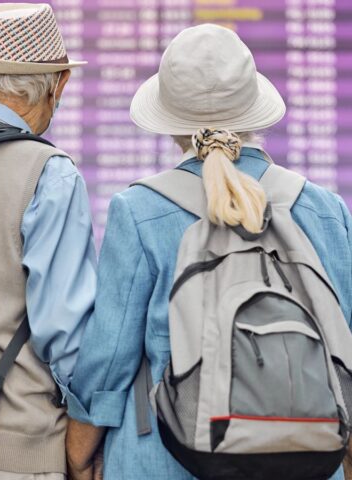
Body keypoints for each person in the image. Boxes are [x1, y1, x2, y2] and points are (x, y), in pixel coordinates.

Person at [66, 24, 352, 480]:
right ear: (254, 110)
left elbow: (110, 355)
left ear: (170, 122)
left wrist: (79, 450)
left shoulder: (139, 210)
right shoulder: (324, 210)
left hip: (164, 457)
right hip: (308, 453)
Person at [0, 3, 96, 480]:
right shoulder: (47, 173)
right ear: (59, 84)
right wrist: (86, 441)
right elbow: (67, 331)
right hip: (17, 445)